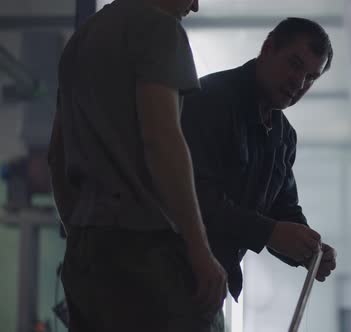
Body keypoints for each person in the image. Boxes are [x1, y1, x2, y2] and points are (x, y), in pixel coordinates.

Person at [47, 0, 227, 331]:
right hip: (145, 254)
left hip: (85, 256)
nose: (196, 6)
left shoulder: (80, 41)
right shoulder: (160, 29)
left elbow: (55, 155)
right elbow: (162, 140)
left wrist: (78, 232)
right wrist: (199, 249)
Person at [181, 17, 338, 307]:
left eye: (311, 78)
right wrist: (269, 232)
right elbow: (190, 195)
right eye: (294, 64)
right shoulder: (209, 101)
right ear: (268, 48)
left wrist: (308, 250)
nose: (299, 82)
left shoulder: (283, 137)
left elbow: (283, 211)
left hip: (210, 287)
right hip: (169, 274)